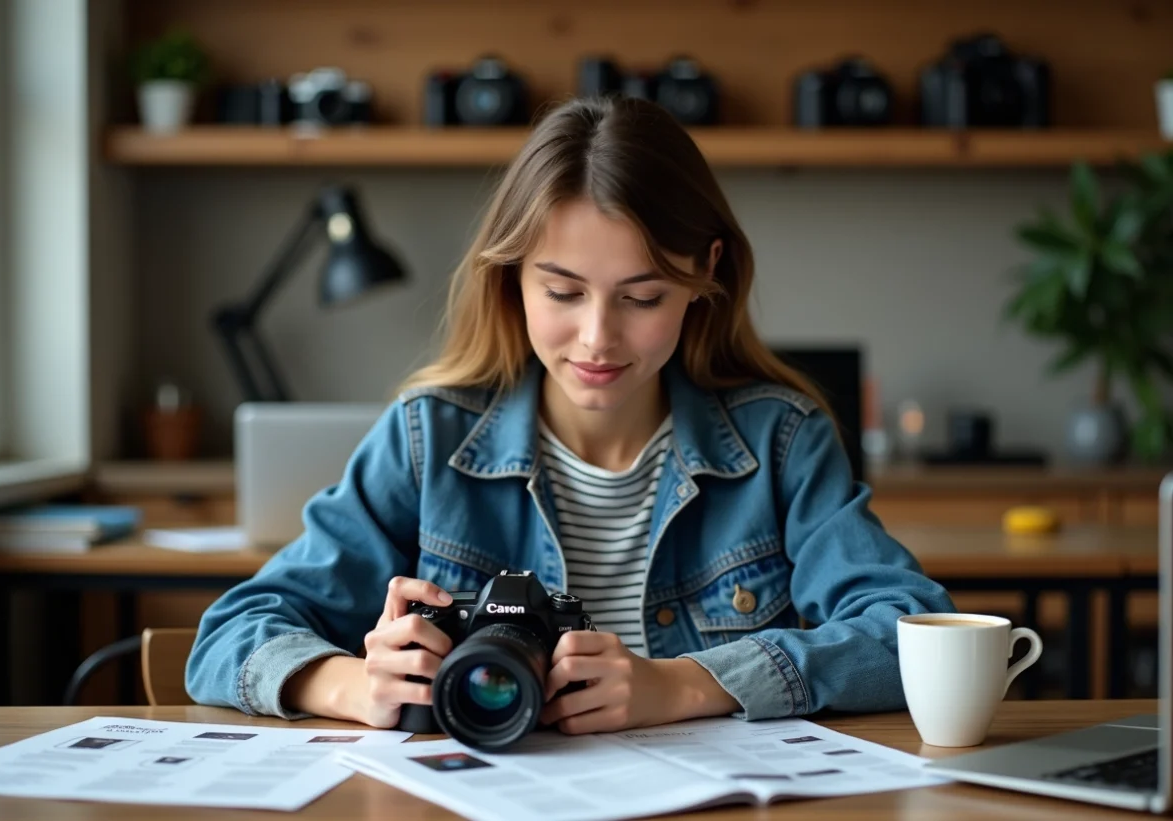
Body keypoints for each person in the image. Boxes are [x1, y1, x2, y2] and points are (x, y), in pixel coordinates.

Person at [186, 95, 955, 734]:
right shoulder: (427, 438)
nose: (597, 337)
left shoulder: (781, 440)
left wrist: (686, 683)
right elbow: (228, 633)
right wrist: (354, 683)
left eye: (643, 297)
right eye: (562, 291)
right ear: (511, 277)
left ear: (705, 273)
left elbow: (911, 631)